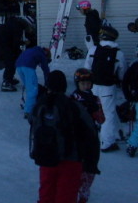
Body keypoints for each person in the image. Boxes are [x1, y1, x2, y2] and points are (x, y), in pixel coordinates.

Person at [28, 70, 99, 203]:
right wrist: (91, 161)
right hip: (71, 158)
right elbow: (91, 131)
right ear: (64, 86)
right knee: (66, 195)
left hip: (46, 157)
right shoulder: (73, 105)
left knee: (46, 192)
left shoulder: (40, 105)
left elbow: (32, 122)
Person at [84, 25, 125, 152]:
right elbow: (122, 72)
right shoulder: (118, 53)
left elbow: (87, 67)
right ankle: (107, 143)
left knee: (95, 111)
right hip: (108, 88)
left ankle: (115, 134)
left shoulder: (93, 49)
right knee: (108, 114)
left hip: (93, 86)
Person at [69, 68, 104, 203]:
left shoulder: (95, 99)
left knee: (90, 168)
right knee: (76, 168)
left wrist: (95, 111)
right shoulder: (73, 98)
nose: (86, 86)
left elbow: (101, 119)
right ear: (77, 84)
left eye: (88, 83)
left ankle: (83, 195)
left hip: (91, 138)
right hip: (76, 138)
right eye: (83, 83)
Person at [0, 16, 33, 92]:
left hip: (1, 41)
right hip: (4, 43)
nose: (29, 29)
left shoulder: (15, 22)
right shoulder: (18, 27)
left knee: (13, 58)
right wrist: (24, 43)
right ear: (26, 24)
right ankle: (6, 83)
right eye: (29, 26)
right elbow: (15, 43)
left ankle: (9, 78)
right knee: (11, 61)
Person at [16, 45, 51, 117]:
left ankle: (28, 105)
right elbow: (46, 70)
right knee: (33, 90)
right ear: (46, 54)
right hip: (28, 67)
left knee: (29, 88)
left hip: (18, 66)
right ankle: (28, 111)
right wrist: (47, 84)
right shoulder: (42, 54)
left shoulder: (32, 50)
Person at [121, 59, 138, 157]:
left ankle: (132, 144)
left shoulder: (134, 66)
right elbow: (125, 82)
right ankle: (132, 144)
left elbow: (125, 81)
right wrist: (129, 97)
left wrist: (129, 96)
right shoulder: (135, 66)